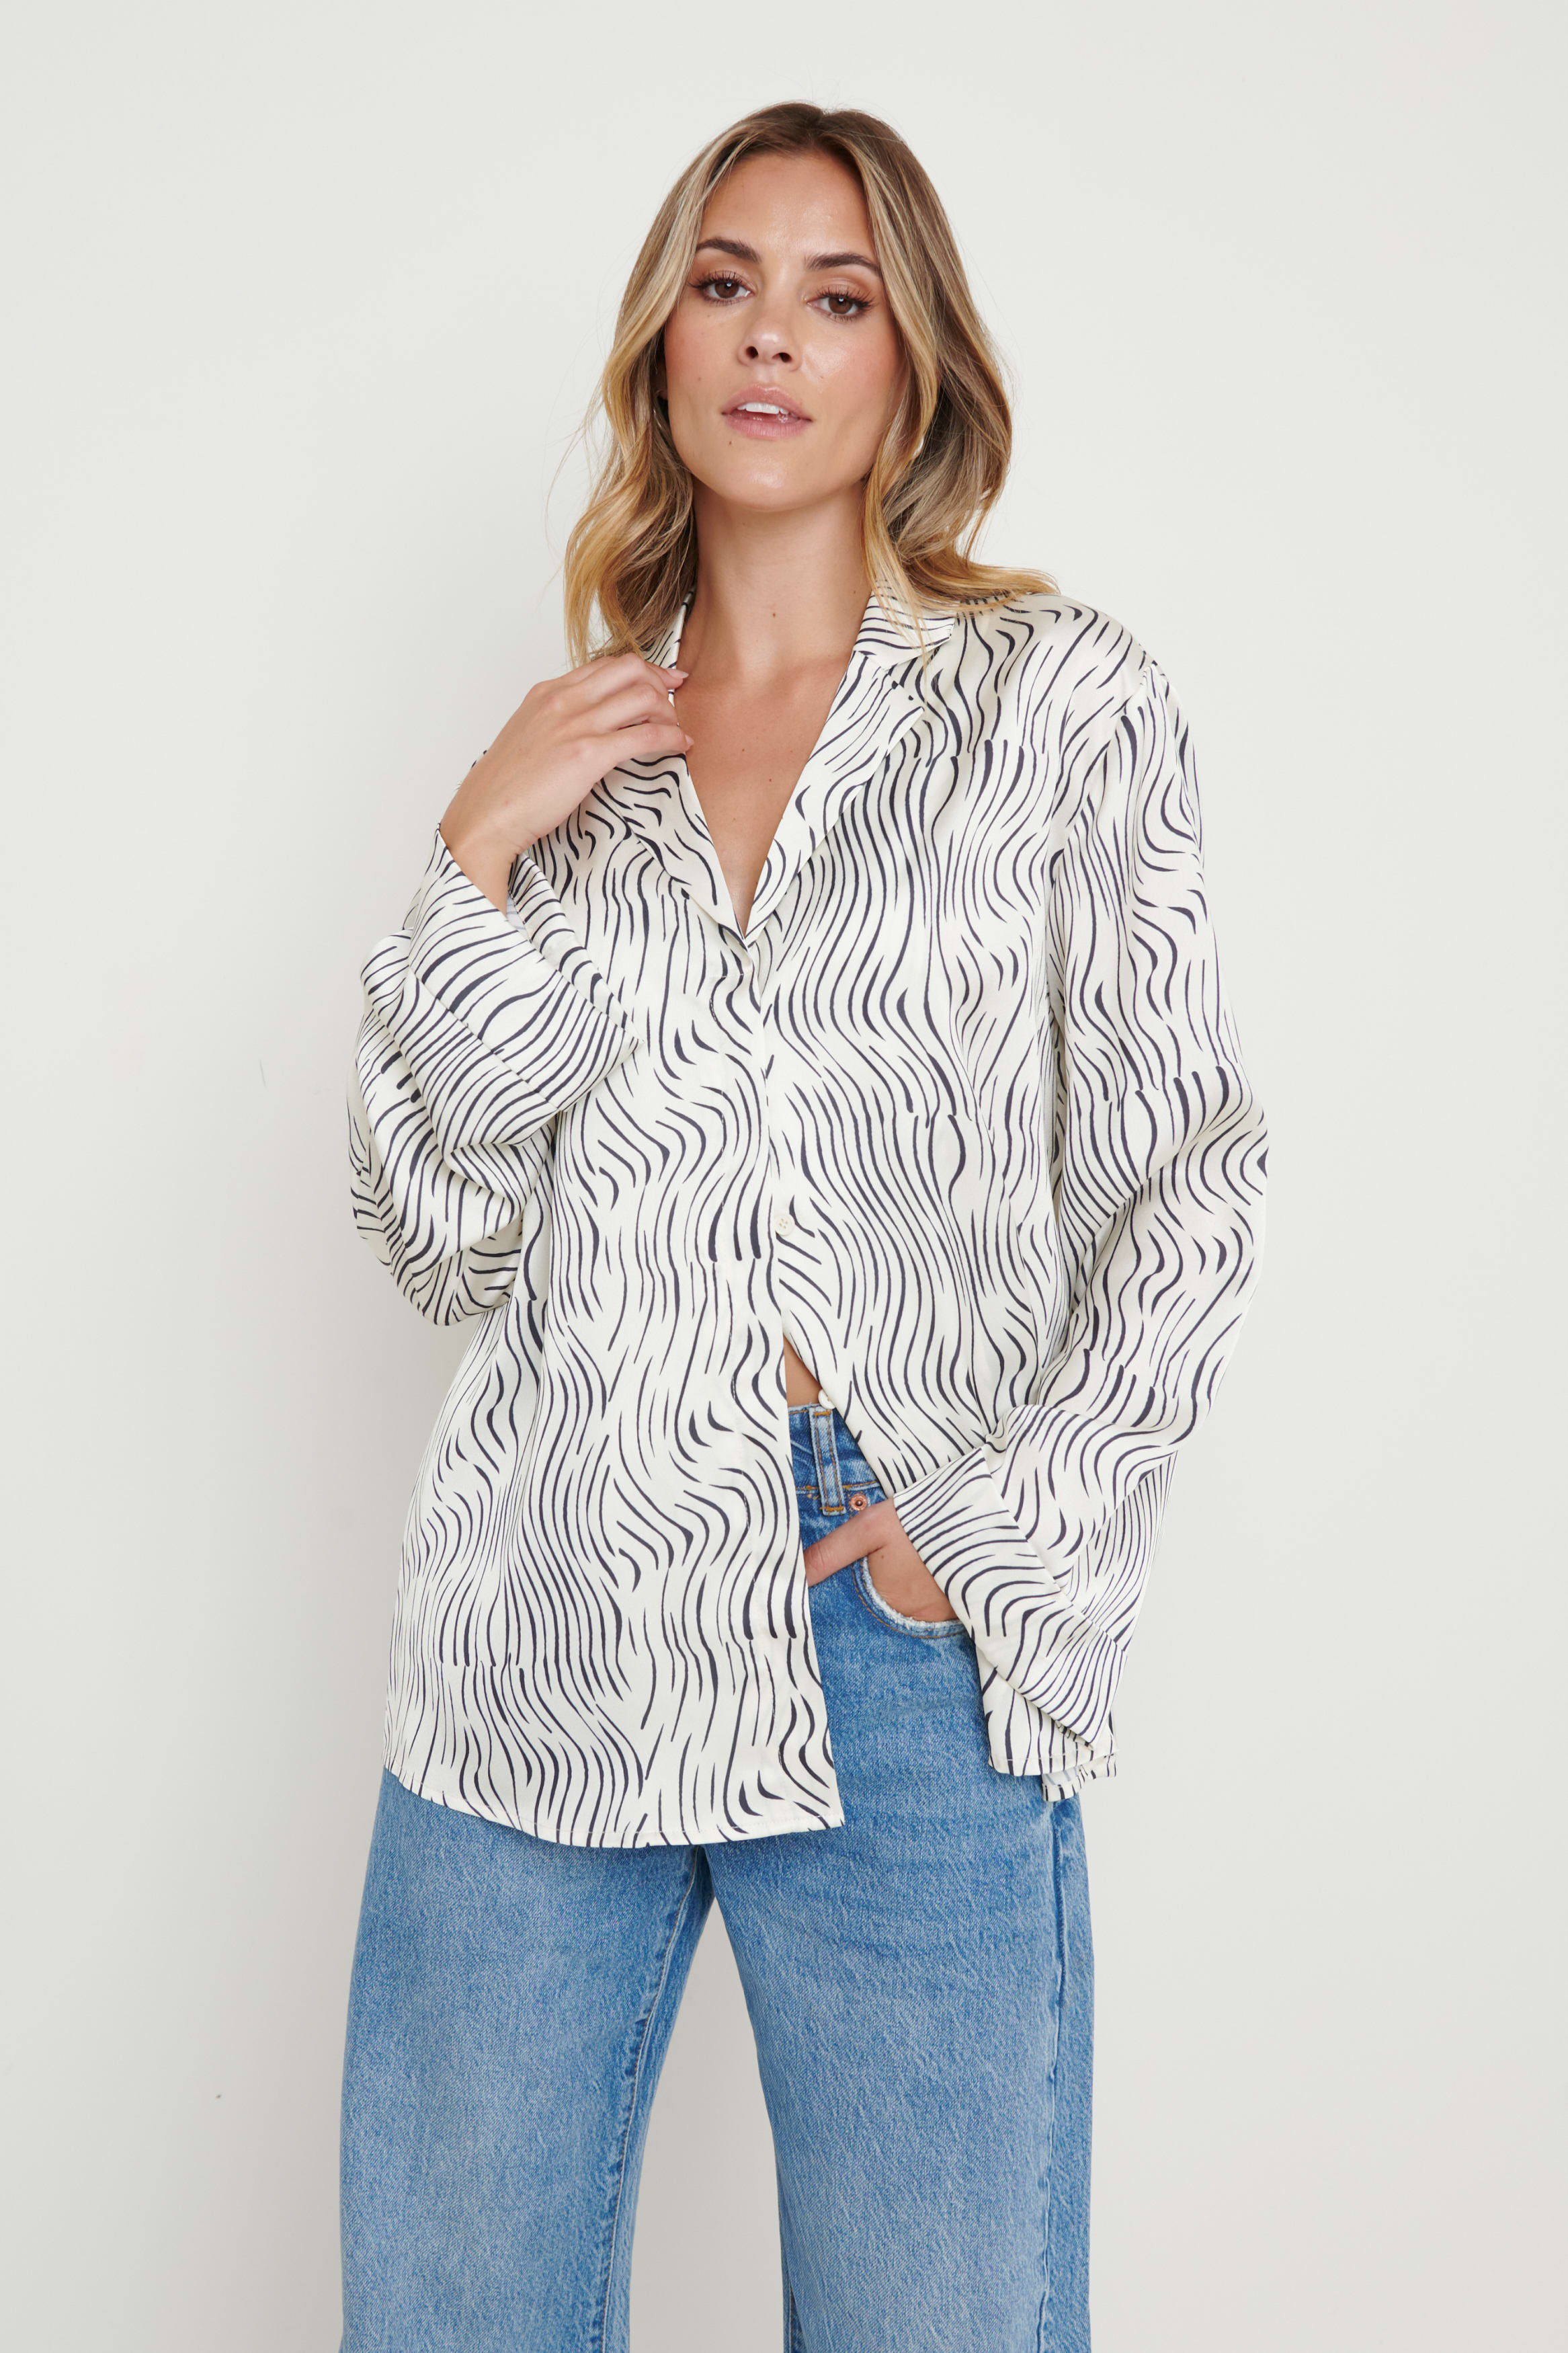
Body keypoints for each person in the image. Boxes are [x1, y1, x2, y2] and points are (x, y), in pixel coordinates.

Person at [338, 99, 1267, 2353]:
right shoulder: (578, 764)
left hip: (896, 1607)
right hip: (548, 1597)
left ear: (910, 362)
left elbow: (1191, 1174)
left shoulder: (1060, 707)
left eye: (836, 297)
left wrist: (991, 1529)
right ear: (663, 345)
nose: (772, 336)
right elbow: (439, 1241)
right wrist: (469, 861)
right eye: (727, 284)